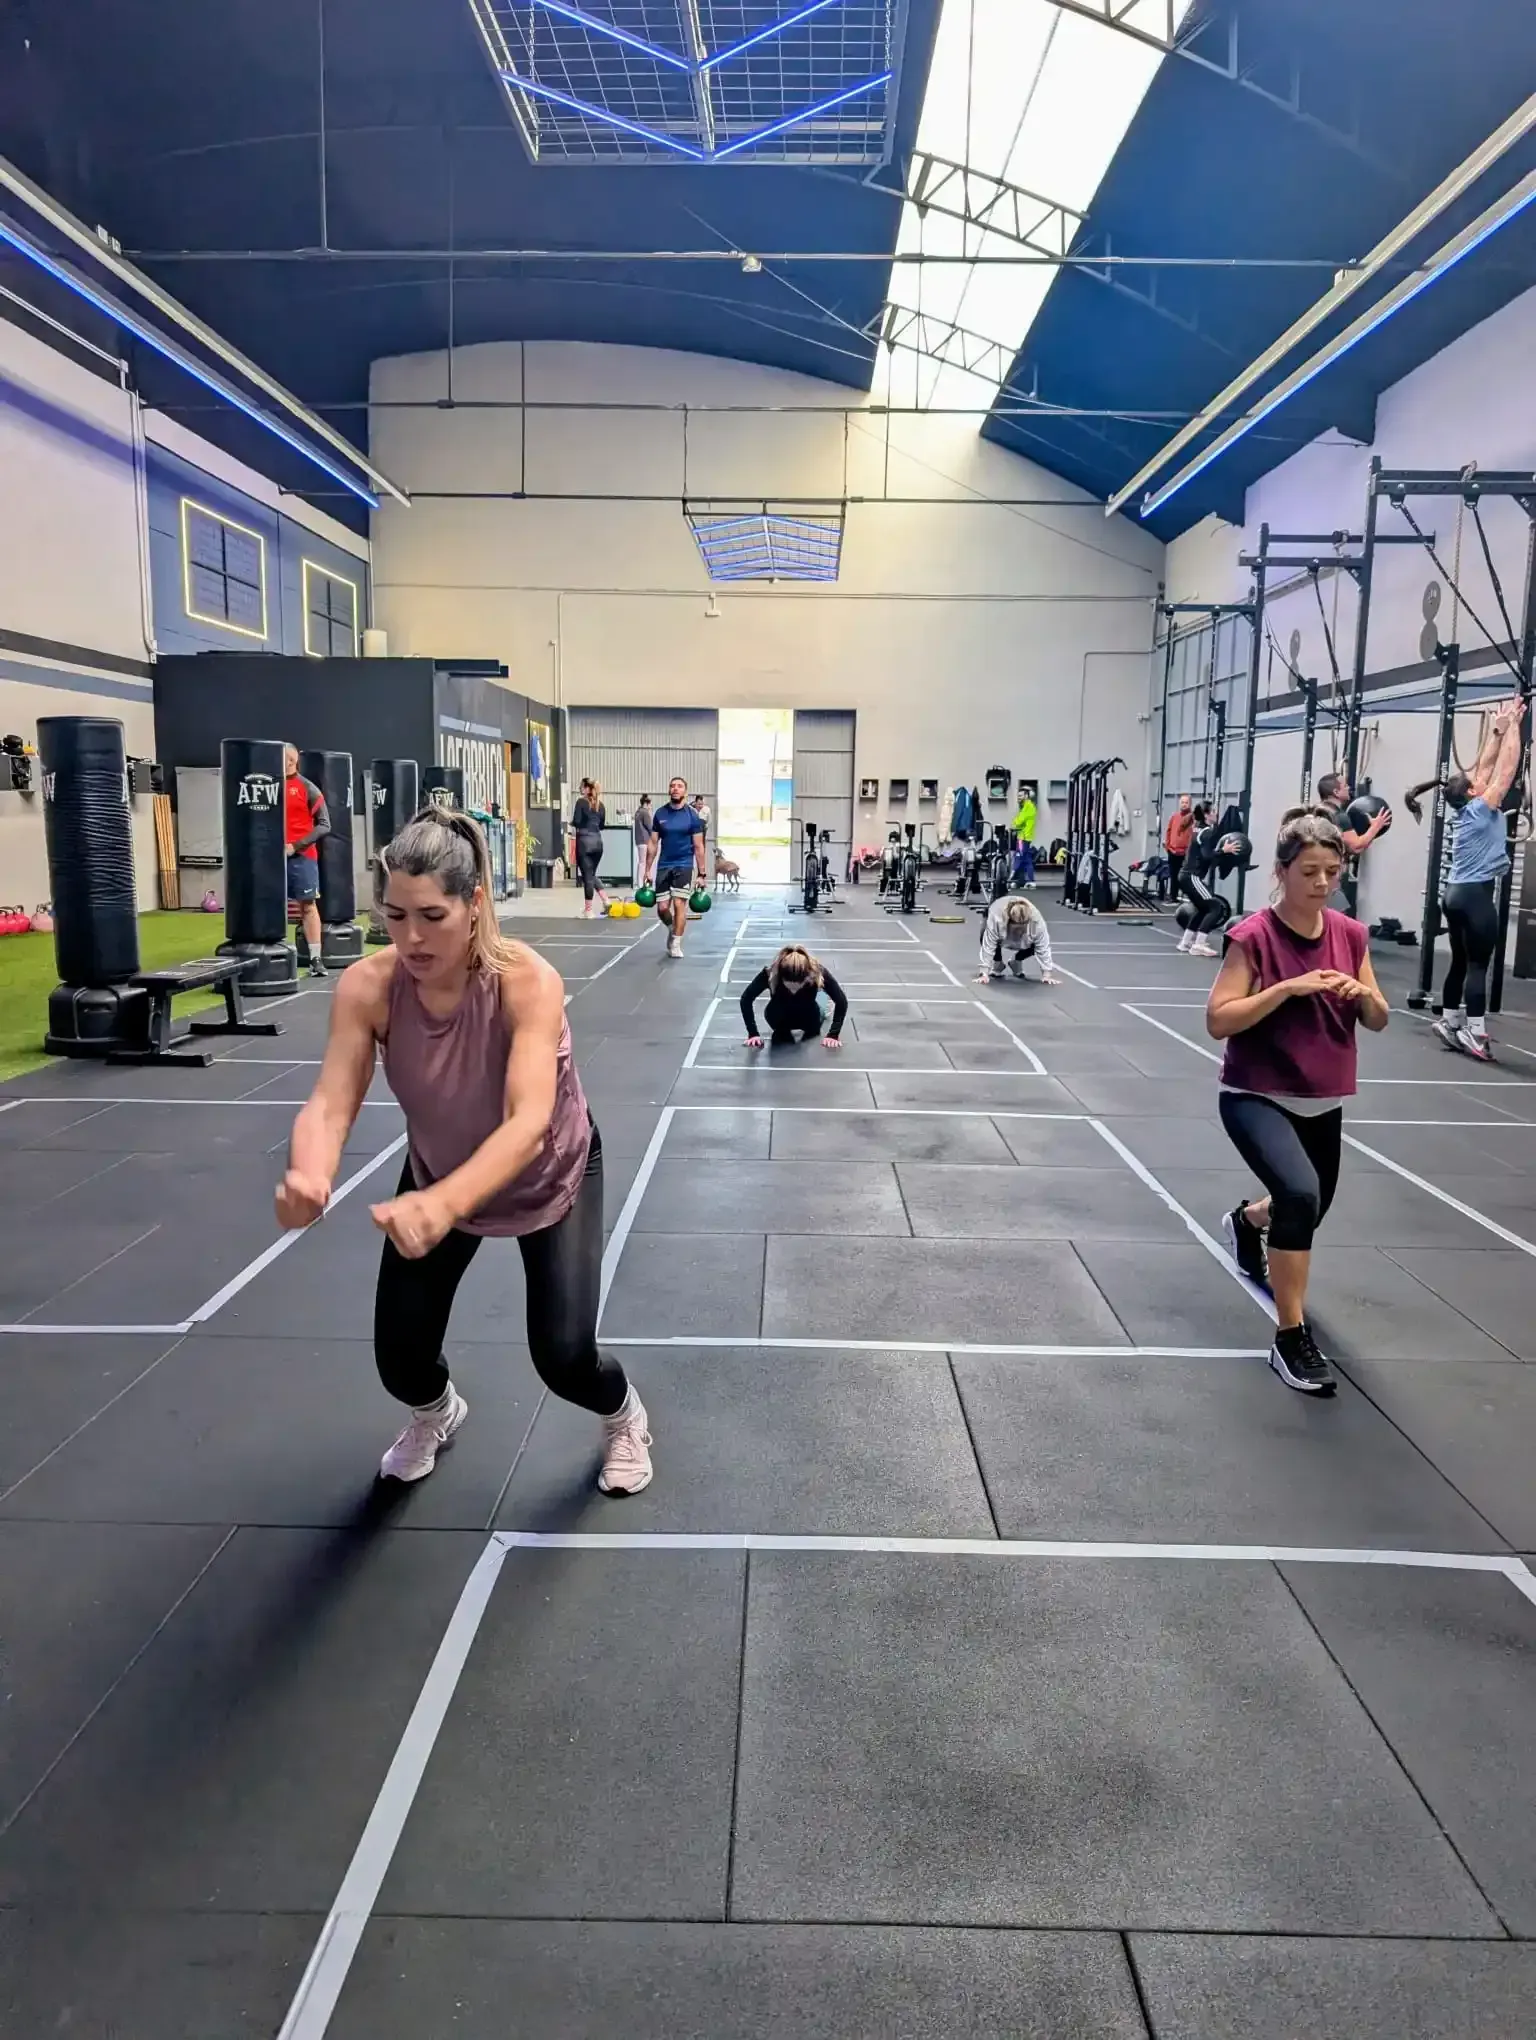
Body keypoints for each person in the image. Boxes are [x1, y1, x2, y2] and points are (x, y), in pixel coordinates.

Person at [275, 807, 652, 1492]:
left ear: (473, 904)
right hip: (439, 1172)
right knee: (400, 1360)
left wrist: (440, 1206)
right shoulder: (369, 987)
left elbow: (527, 1122)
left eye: (431, 916)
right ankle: (438, 1411)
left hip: (549, 1174)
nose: (410, 937)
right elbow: (332, 1101)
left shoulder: (525, 981)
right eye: (393, 916)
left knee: (565, 1358)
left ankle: (624, 1415)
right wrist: (308, 1170)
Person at [1207, 806, 1389, 1396]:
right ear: (1282, 872)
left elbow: (1380, 1018)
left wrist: (1363, 993)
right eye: (1309, 871)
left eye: (1331, 872)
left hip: (1322, 1100)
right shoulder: (1253, 936)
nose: (1321, 883)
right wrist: (1287, 988)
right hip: (1255, 1095)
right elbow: (1218, 1020)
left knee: (1304, 1209)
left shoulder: (1350, 935)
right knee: (1301, 1194)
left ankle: (1246, 1219)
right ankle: (1290, 1336)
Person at [1406, 699, 1523, 1062]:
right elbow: (1504, 773)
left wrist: (1498, 730)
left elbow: (1486, 766)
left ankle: (1451, 1021)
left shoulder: (1466, 807)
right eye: (1477, 783)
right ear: (1473, 792)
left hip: (1454, 895)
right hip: (1473, 897)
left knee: (1460, 961)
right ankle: (1475, 1033)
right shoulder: (1479, 807)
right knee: (1477, 966)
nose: (1481, 778)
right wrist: (1518, 726)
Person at [740, 943, 847, 1048]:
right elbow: (746, 999)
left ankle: (822, 994)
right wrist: (753, 1034)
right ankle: (820, 993)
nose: (793, 989)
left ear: (807, 977)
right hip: (777, 1019)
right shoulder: (771, 973)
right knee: (782, 1027)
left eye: (798, 986)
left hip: (810, 1019)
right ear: (781, 976)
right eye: (789, 985)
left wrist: (833, 1035)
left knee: (822, 1003)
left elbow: (841, 1001)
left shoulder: (816, 971)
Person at [283, 743, 330, 980]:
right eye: (282, 759)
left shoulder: (307, 788)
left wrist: (296, 846)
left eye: (289, 759)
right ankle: (279, 957)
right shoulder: (268, 786)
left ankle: (315, 959)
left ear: (295, 760)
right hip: (272, 857)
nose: (286, 763)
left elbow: (325, 825)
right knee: (269, 906)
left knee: (308, 905)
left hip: (302, 856)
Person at [647, 776, 707, 958]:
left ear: (685, 792)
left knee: (679, 904)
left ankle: (676, 943)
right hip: (664, 864)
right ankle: (673, 927)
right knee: (662, 908)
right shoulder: (660, 814)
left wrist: (702, 873)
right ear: (669, 790)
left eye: (679, 786)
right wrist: (647, 870)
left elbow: (699, 846)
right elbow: (653, 843)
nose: (675, 789)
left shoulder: (692, 816)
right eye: (672, 786)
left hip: (684, 864)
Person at [974, 894, 1063, 985]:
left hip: (1026, 926)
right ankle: (998, 963)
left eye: (1022, 929)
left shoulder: (1037, 923)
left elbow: (1043, 947)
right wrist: (984, 973)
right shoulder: (996, 920)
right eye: (1016, 929)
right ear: (1009, 922)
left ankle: (1016, 960)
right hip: (997, 912)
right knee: (984, 933)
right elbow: (988, 944)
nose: (1018, 932)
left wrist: (1046, 974)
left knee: (1035, 941)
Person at [1317, 770, 1392, 857]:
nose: (1348, 788)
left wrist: (1370, 831)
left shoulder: (1319, 812)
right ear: (1336, 792)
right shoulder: (1339, 816)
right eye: (1345, 786)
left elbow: (1355, 850)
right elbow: (1356, 845)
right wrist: (1376, 826)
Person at [570, 779, 608, 918]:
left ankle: (589, 910)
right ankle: (605, 900)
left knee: (587, 877)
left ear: (586, 788)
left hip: (584, 842)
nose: (580, 789)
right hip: (598, 842)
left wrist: (573, 823)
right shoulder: (601, 805)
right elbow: (602, 825)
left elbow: (577, 821)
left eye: (581, 787)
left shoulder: (581, 802)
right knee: (591, 875)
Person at [1163, 792, 1195, 897]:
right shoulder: (1174, 817)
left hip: (1186, 853)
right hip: (1173, 851)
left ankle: (1189, 897)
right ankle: (1173, 896)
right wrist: (1168, 847)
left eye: (1186, 802)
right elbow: (1168, 831)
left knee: (1186, 876)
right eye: (1182, 802)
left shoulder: (1193, 818)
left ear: (1190, 804)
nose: (1184, 804)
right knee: (1174, 875)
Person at [1011, 783, 1038, 887]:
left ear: (1026, 796)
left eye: (1020, 796)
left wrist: (1014, 824)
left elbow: (1019, 821)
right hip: (1023, 837)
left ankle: (1022, 879)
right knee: (1025, 858)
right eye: (1018, 796)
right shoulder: (1025, 807)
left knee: (1021, 858)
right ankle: (1022, 881)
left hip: (1024, 837)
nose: (1018, 798)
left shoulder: (1028, 807)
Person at [632, 794, 654, 885]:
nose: (650, 806)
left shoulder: (638, 812)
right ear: (646, 803)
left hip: (639, 840)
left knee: (641, 861)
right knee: (643, 862)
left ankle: (639, 881)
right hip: (645, 840)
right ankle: (641, 883)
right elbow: (650, 826)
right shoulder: (645, 813)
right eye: (650, 804)